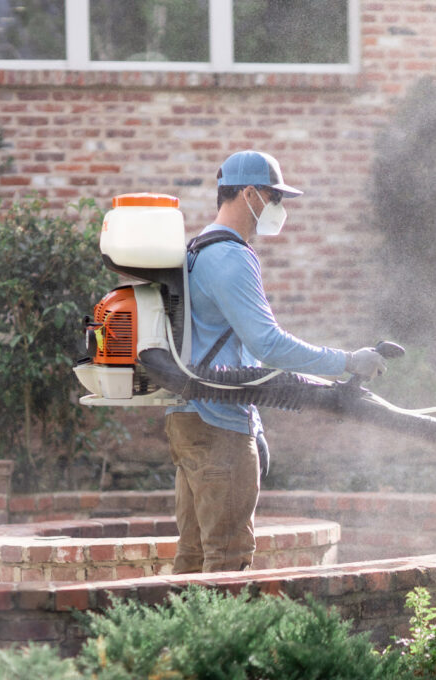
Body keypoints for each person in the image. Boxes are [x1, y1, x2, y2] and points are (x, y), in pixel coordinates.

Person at [165, 150, 385, 574]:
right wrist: (347, 361)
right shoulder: (230, 256)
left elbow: (234, 350)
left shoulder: (195, 250)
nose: (277, 208)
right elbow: (267, 344)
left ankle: (180, 641)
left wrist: (258, 425)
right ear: (249, 193)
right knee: (227, 561)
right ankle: (224, 643)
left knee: (193, 558)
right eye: (274, 197)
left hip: (188, 418)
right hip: (218, 426)